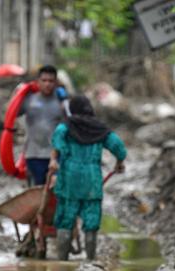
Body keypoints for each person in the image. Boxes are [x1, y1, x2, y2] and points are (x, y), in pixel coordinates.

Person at [48, 95, 127, 261]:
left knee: (65, 218)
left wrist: (54, 160)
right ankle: (91, 259)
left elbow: (57, 141)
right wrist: (119, 162)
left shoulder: (66, 126)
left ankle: (62, 260)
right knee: (91, 220)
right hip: (92, 179)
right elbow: (119, 147)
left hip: (69, 177)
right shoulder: (100, 129)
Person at [18, 64, 66, 186]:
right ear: (38, 82)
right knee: (36, 193)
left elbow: (71, 125)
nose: (47, 84)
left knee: (57, 191)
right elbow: (11, 114)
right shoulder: (29, 100)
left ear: (56, 82)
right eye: (44, 80)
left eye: (51, 81)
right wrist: (16, 94)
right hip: (34, 155)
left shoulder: (63, 103)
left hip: (56, 155)